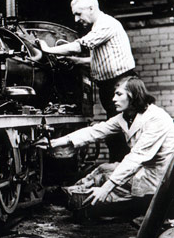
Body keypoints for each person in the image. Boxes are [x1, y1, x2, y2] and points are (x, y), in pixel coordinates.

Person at [36, 76, 174, 212]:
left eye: (119, 94)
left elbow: (136, 157)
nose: (113, 99)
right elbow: (96, 131)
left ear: (132, 96)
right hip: (142, 171)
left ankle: (78, 199)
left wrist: (105, 189)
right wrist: (53, 143)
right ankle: (71, 192)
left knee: (95, 203)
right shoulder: (126, 116)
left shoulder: (156, 118)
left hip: (158, 179)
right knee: (102, 170)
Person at [38, 0, 136, 162]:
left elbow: (80, 46)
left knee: (120, 134)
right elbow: (101, 60)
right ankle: (119, 168)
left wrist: (48, 50)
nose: (76, 19)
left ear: (91, 8)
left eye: (78, 13)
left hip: (121, 84)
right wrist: (75, 61)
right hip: (112, 85)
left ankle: (122, 170)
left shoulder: (106, 24)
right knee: (116, 134)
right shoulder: (100, 26)